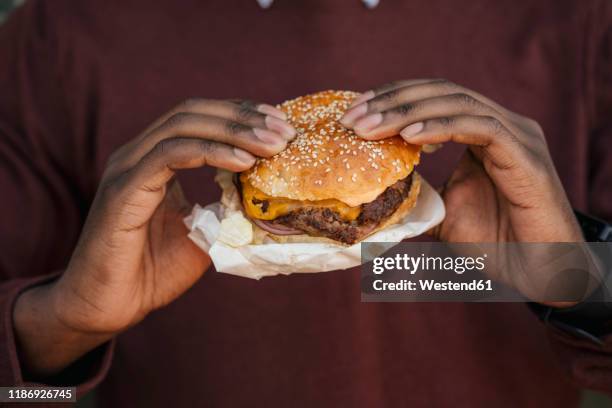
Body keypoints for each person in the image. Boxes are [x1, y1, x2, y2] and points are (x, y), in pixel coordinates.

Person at [0, 0, 611, 406]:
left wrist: (576, 281)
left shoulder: (581, 22)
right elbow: (25, 398)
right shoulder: (58, 33)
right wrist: (62, 326)